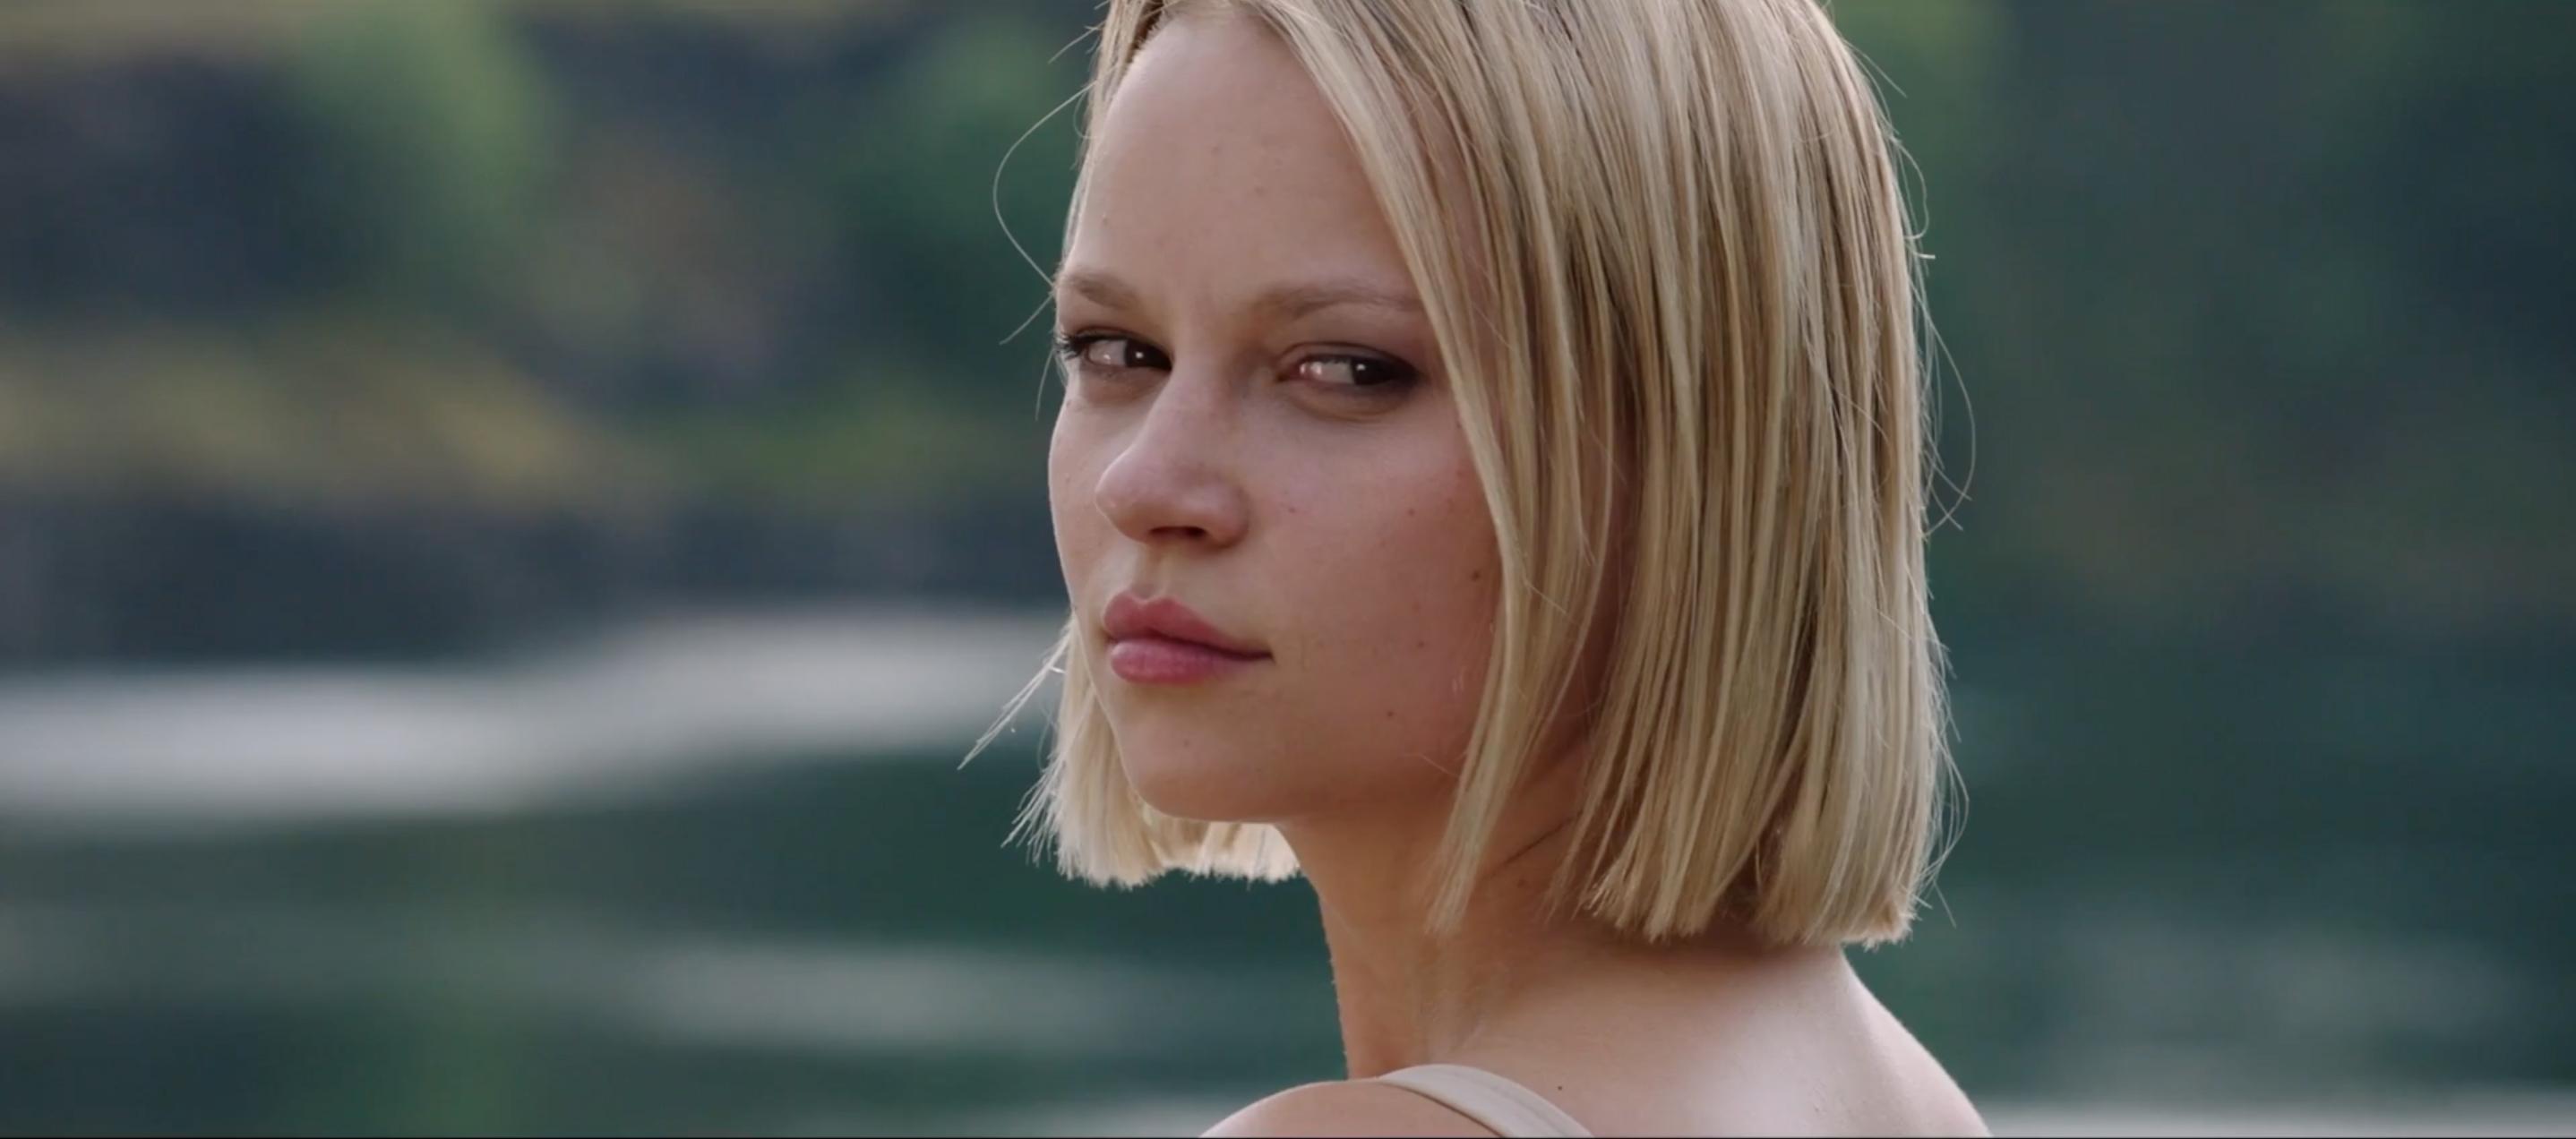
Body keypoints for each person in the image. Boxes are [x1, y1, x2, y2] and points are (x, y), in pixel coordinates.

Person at [1007, 0, 1983, 1133]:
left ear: (1694, 445)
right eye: (1115, 351)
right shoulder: (1894, 1098)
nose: (1142, 484)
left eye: (1347, 370)